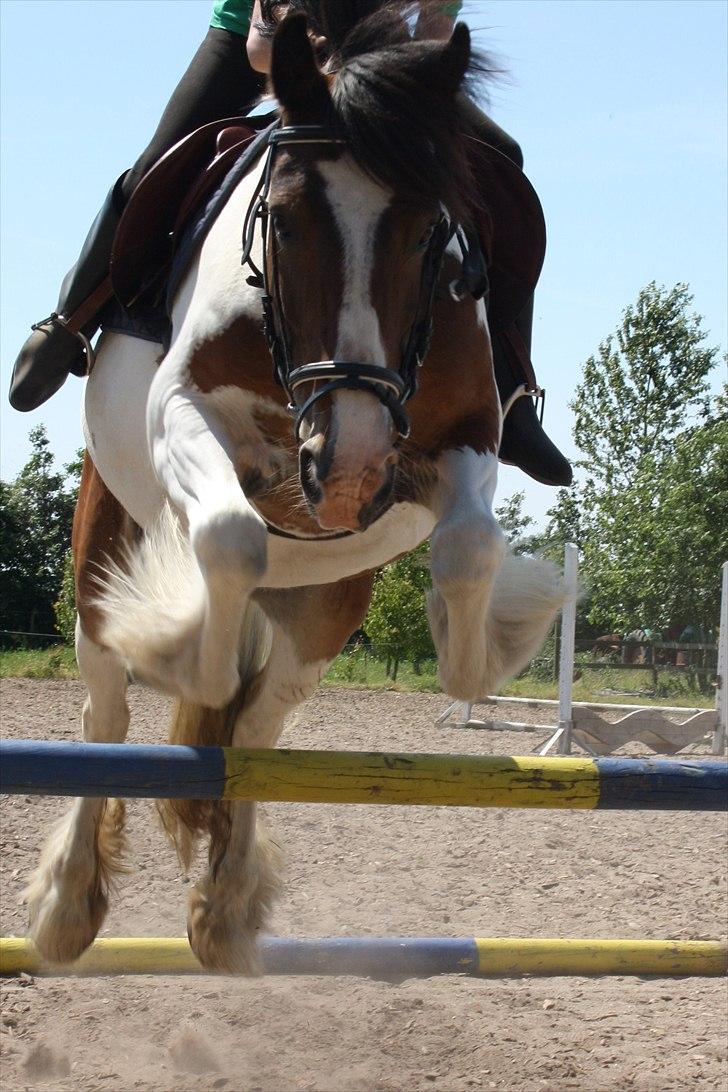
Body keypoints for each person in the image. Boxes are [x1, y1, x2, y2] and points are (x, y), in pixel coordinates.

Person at [9, 0, 570, 487]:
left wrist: (375, 71)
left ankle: (512, 391)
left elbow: (433, 41)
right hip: (252, 45)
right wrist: (323, 62)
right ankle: (69, 320)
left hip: (379, 63)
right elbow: (260, 49)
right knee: (155, 162)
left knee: (503, 159)